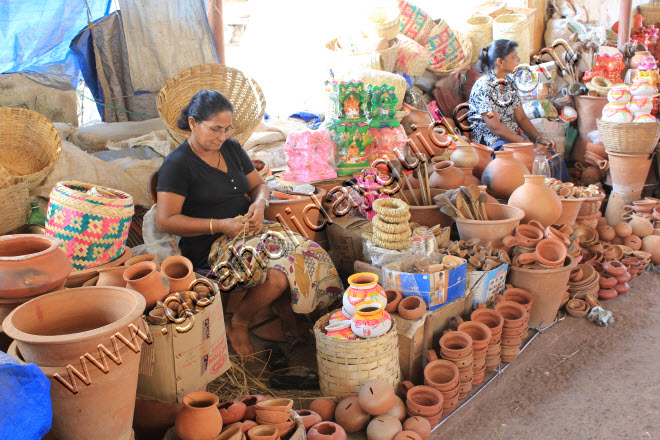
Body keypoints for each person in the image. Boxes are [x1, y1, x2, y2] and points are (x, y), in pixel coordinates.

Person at [155, 90, 343, 359]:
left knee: (310, 251)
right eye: (215, 129)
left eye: (227, 129)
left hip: (250, 230)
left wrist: (259, 204)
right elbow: (165, 220)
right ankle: (239, 321)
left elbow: (260, 185)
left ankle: (293, 315)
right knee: (280, 273)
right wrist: (220, 225)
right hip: (212, 245)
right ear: (194, 123)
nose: (222, 136)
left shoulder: (230, 148)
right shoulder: (178, 165)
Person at [467, 39, 568, 180]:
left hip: (511, 140)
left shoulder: (509, 82)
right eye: (514, 56)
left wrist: (539, 138)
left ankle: (560, 194)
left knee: (551, 154)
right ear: (500, 62)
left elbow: (521, 117)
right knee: (537, 159)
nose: (518, 60)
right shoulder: (484, 87)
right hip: (492, 143)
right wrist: (527, 144)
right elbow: (495, 127)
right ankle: (538, 197)